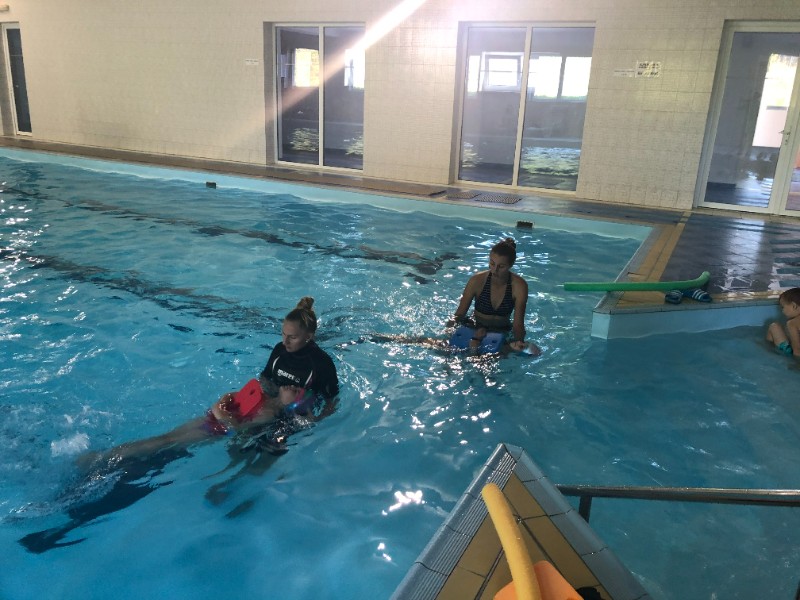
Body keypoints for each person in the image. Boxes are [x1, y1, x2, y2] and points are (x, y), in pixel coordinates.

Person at [84, 296, 339, 463]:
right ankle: (105, 457)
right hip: (255, 410)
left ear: (309, 336)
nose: (285, 341)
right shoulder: (279, 351)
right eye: (283, 334)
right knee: (171, 439)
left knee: (253, 461)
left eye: (292, 337)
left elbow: (331, 401)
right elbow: (264, 381)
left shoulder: (322, 364)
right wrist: (252, 399)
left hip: (279, 420)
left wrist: (312, 420)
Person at [450, 238, 541, 356]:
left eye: (501, 266)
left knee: (531, 352)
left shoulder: (519, 286)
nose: (494, 270)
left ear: (510, 265)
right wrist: (449, 332)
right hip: (475, 326)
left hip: (501, 330)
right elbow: (460, 314)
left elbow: (518, 324)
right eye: (492, 263)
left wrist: (518, 343)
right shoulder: (477, 281)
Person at [766, 287, 800, 358]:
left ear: (794, 306)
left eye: (783, 307)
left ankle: (768, 349)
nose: (782, 311)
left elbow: (797, 349)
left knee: (774, 326)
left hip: (792, 354)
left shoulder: (792, 323)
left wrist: (794, 363)